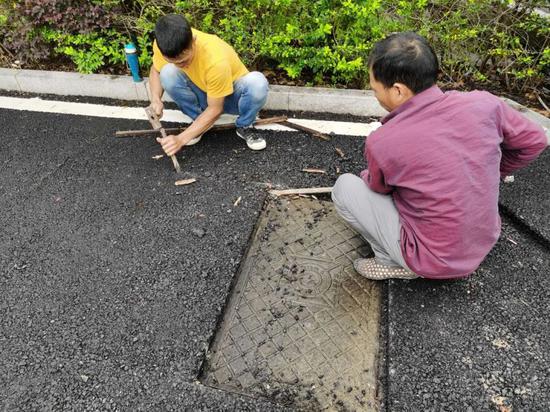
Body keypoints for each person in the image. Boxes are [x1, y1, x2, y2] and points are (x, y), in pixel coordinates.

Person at [332, 32, 547, 281]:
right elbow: (535, 140)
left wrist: (368, 175)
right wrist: (490, 169)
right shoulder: (484, 104)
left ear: (398, 90)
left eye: (375, 88)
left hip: (432, 259)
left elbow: (379, 188)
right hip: (482, 242)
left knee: (345, 188)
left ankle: (391, 261)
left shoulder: (383, 142)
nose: (375, 95)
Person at [149, 14, 269, 155]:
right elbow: (155, 70)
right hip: (206, 94)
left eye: (184, 60)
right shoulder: (163, 43)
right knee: (167, 72)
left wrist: (181, 139)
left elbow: (215, 108)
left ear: (194, 41)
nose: (181, 65)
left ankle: (244, 125)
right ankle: (199, 123)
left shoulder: (215, 59)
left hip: (232, 99)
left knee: (257, 83)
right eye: (175, 62)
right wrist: (156, 100)